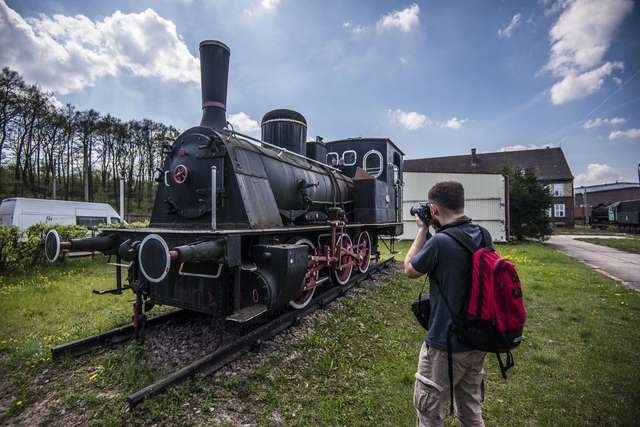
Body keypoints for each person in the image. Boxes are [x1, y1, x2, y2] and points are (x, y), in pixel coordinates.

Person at [404, 181, 492, 427]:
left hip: (445, 345)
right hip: (477, 338)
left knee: (430, 413)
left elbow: (410, 269)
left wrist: (422, 230)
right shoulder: (484, 235)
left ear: (433, 209)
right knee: (471, 410)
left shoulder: (440, 243)